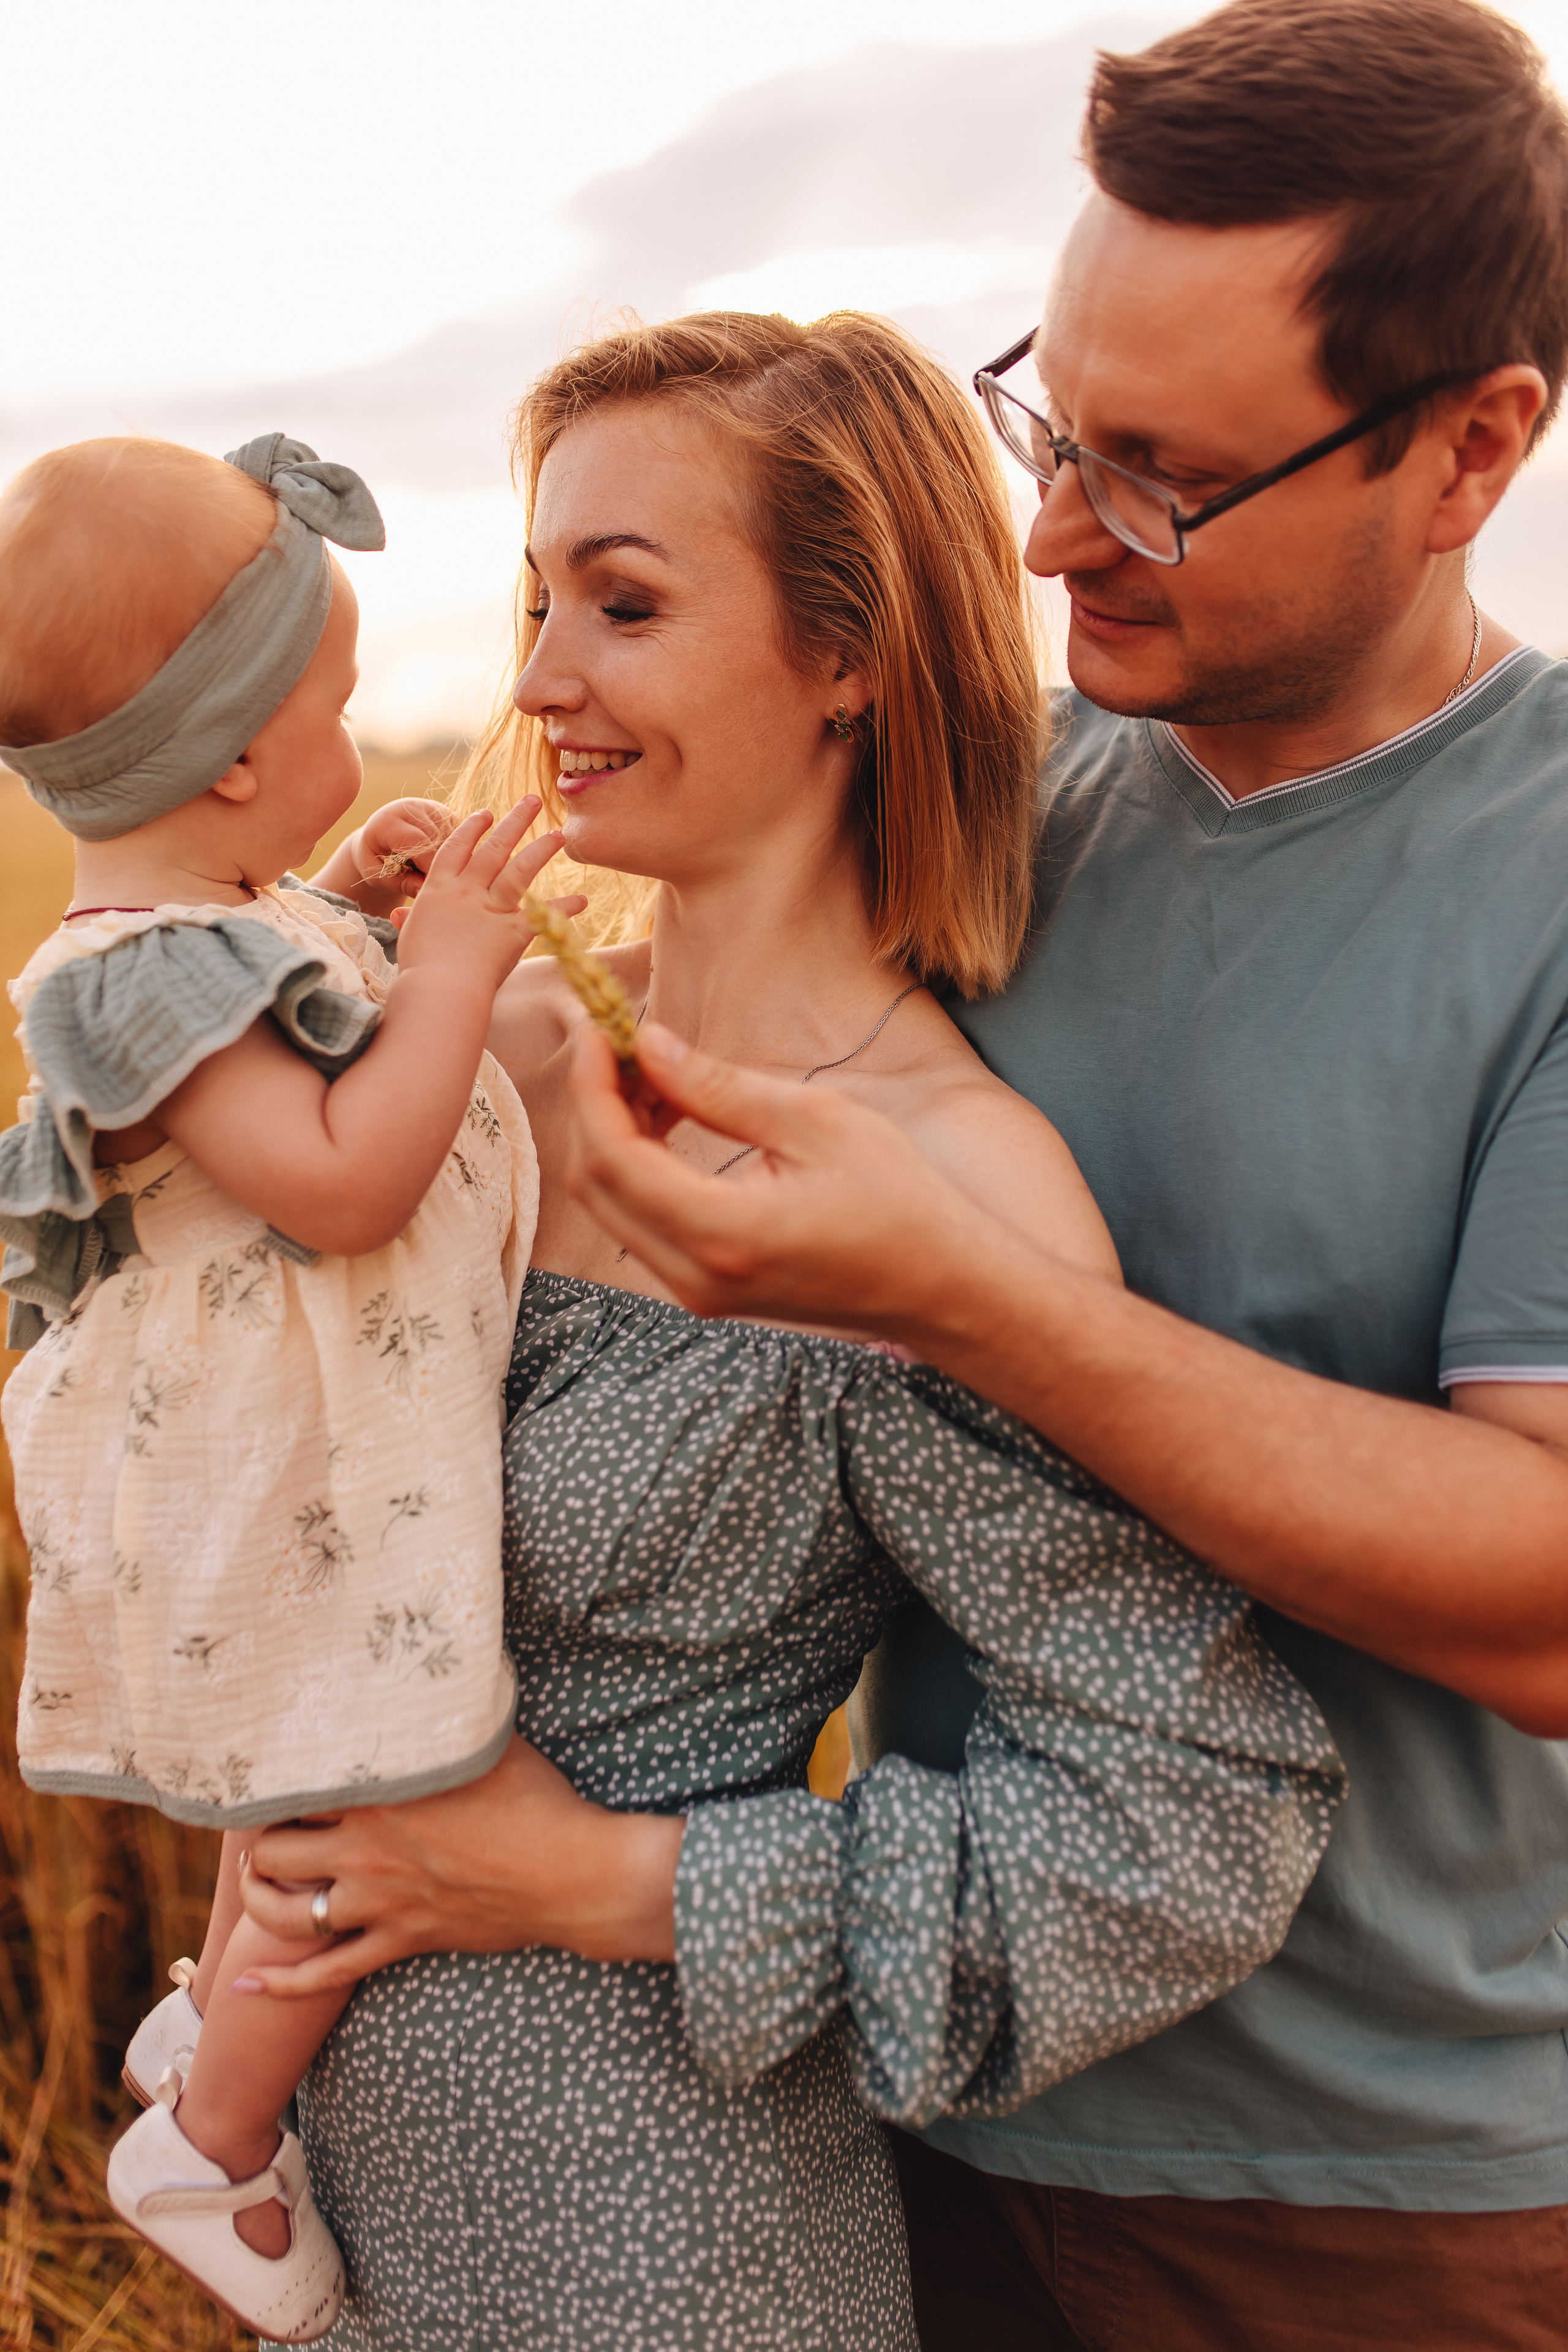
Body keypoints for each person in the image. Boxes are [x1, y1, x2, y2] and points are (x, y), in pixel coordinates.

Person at [469, 2, 1568, 2345]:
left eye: (1162, 474)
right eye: (1049, 421)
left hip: (1362, 2196)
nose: (1055, 531)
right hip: (874, 2100)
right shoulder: (998, 819)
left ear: (1475, 447)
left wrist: (982, 1306)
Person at [232, 310, 1344, 2351]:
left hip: (664, 2236)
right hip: (343, 2200)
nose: (541, 680)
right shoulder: (480, 1037)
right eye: (539, 595)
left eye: (626, 605)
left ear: (850, 657)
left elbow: (1189, 1815)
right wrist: (286, 947)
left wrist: (594, 1880)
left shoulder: (944, 1194)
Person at [0, 434, 560, 2339]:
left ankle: (198, 2038)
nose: (358, 741)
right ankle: (216, 2135)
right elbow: (339, 1174)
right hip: (264, 1465)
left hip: (293, 1447)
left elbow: (282, 1012)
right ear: (233, 756)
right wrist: (464, 973)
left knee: (302, 1758)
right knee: (341, 1799)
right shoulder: (124, 978)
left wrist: (355, 905)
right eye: (330, 714)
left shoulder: (209, 927)